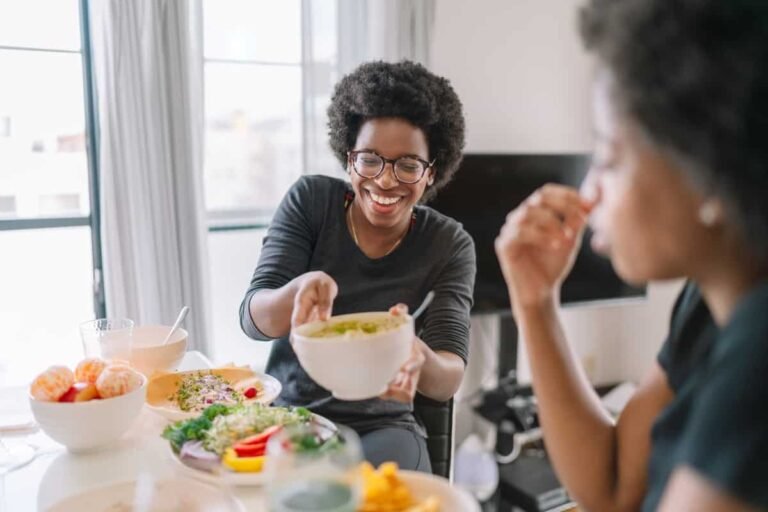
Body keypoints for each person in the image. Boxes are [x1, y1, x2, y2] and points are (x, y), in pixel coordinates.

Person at [494, 0, 768, 510]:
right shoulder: (707, 301)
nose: (589, 191)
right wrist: (535, 301)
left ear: (709, 164)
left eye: (610, 158)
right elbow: (614, 486)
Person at [239, 61, 475, 473]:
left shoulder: (449, 244)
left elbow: (448, 376)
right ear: (349, 159)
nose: (385, 181)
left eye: (407, 164)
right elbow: (253, 319)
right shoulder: (311, 202)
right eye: (370, 159)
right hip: (294, 418)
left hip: (384, 426)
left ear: (430, 172)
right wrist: (297, 290)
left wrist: (412, 350)